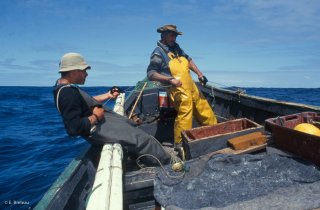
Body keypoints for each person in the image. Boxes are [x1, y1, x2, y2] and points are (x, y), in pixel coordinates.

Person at [53, 52, 171, 165]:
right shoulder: (67, 93)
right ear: (73, 72)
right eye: (84, 71)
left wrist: (108, 95)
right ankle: (168, 164)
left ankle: (149, 159)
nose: (86, 74)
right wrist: (95, 116)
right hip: (96, 128)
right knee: (143, 140)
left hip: (101, 122)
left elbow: (82, 102)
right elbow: (74, 128)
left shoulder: (65, 88)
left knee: (131, 125)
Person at [147, 24, 218, 146]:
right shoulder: (158, 53)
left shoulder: (176, 48)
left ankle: (215, 132)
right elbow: (151, 74)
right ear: (163, 35)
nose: (174, 37)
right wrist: (170, 80)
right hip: (177, 88)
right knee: (185, 114)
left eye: (175, 35)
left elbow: (188, 60)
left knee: (204, 108)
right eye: (171, 35)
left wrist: (200, 74)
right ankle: (181, 144)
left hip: (191, 86)